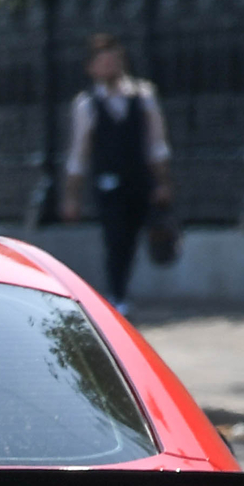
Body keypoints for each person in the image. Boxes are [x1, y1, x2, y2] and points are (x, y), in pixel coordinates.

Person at [60, 32, 173, 311]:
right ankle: (117, 293)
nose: (110, 65)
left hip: (140, 179)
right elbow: (79, 153)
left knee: (141, 233)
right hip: (108, 183)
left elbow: (156, 144)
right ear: (91, 68)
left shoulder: (143, 96)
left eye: (114, 59)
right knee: (116, 236)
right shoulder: (86, 104)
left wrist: (162, 182)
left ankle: (123, 288)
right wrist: (71, 195)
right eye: (103, 61)